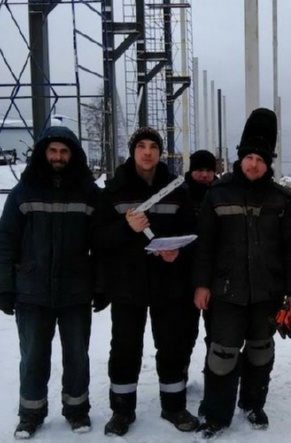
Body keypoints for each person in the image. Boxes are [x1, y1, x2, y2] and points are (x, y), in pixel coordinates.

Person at [192, 108, 291, 439]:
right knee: (222, 354)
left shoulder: (280, 200)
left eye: (261, 159)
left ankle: (253, 403)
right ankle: (215, 414)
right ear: (240, 159)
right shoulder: (218, 194)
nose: (254, 164)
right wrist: (201, 284)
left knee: (260, 351)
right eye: (249, 157)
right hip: (226, 292)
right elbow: (204, 245)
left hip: (267, 293)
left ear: (268, 164)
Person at [0, 126, 104, 439]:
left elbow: (102, 245)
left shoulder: (88, 193)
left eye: (64, 151)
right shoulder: (23, 191)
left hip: (75, 292)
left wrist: (101, 285)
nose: (58, 156)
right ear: (43, 153)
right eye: (53, 151)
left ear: (73, 155)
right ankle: (30, 414)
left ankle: (77, 410)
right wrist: (3, 287)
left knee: (77, 356)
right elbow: (5, 241)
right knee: (33, 357)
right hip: (32, 292)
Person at [94, 126, 199, 436]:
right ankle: (122, 411)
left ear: (160, 152)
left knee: (172, 345)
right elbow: (97, 237)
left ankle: (174, 406)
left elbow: (192, 231)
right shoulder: (114, 190)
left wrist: (177, 252)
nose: (148, 152)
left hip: (168, 282)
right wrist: (126, 227)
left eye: (153, 146)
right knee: (125, 348)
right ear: (133, 151)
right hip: (127, 284)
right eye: (141, 146)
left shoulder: (176, 189)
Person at [180, 149, 218, 376]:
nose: (204, 175)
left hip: (216, 275)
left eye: (209, 171)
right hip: (183, 274)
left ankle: (213, 374)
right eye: (199, 170)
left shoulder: (221, 193)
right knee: (183, 333)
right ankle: (179, 374)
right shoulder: (180, 193)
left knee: (216, 332)